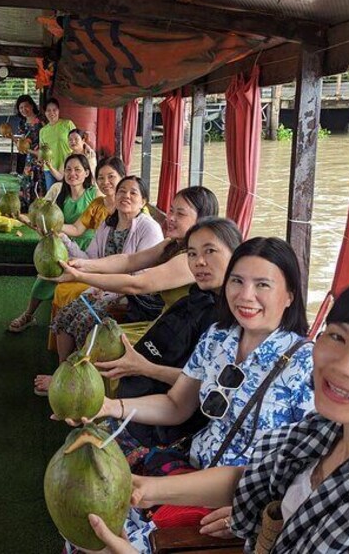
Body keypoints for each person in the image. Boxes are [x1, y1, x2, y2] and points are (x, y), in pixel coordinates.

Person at [89, 271, 349, 554]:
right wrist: (146, 489)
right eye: (337, 337)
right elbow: (254, 476)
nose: (341, 366)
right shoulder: (328, 432)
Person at [58, 237, 315, 553]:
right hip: (189, 466)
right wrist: (110, 406)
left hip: (235, 501)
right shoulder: (219, 337)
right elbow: (176, 404)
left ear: (290, 294)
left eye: (263, 284)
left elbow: (309, 468)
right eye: (237, 281)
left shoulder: (307, 365)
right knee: (89, 515)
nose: (246, 295)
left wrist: (256, 510)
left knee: (103, 544)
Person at [100, 218, 243, 453]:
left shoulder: (233, 324)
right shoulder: (196, 301)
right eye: (192, 254)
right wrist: (113, 405)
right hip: (151, 406)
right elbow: (183, 395)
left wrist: (144, 368)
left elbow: (203, 387)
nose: (199, 262)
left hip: (174, 434)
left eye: (210, 251)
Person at [50, 187, 219, 342]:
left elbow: (137, 284)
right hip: (163, 321)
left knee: (101, 342)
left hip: (178, 334)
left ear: (201, 221)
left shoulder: (192, 259)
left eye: (180, 214)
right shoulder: (172, 244)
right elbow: (129, 261)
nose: (171, 218)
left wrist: (80, 276)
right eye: (171, 210)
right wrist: (81, 265)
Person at [49, 177, 163, 363]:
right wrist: (64, 240)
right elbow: (91, 260)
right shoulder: (107, 225)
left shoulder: (149, 228)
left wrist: (109, 292)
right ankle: (64, 368)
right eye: (121, 191)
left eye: (133, 192)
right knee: (64, 316)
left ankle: (81, 374)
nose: (126, 196)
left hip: (129, 297)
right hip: (99, 288)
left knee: (83, 322)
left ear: (143, 201)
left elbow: (139, 276)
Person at [8, 153, 98, 333]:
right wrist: (21, 218)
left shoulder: (94, 194)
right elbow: (41, 221)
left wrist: (54, 227)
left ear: (87, 173)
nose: (72, 173)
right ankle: (28, 314)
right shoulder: (58, 192)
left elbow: (76, 228)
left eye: (78, 170)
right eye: (68, 170)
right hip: (60, 243)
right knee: (45, 276)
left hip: (88, 248)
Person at [38, 98, 77, 192]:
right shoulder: (43, 131)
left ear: (59, 111)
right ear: (45, 113)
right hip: (49, 169)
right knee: (52, 198)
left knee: (68, 196)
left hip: (68, 166)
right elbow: (41, 150)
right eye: (48, 110)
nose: (51, 113)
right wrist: (40, 160)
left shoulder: (67, 124)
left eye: (54, 110)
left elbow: (77, 140)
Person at [15, 94, 44, 201]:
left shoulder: (41, 120)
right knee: (27, 183)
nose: (23, 109)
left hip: (41, 157)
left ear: (32, 106)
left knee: (39, 183)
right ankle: (27, 208)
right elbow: (20, 145)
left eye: (26, 106)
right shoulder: (22, 124)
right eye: (21, 108)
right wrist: (12, 137)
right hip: (28, 159)